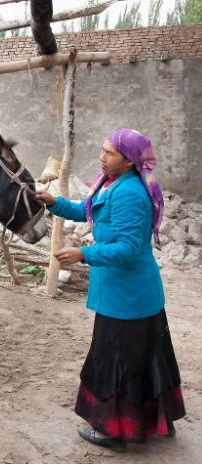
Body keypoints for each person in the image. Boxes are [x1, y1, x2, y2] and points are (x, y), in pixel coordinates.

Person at [35, 129, 185, 451]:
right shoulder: (110, 182)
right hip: (132, 294)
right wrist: (54, 203)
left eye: (109, 154)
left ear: (129, 161)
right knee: (144, 357)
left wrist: (84, 254)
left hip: (127, 295)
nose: (102, 157)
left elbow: (129, 248)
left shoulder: (130, 192)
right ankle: (155, 421)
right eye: (102, 150)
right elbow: (88, 211)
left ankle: (113, 432)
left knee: (116, 360)